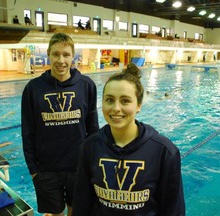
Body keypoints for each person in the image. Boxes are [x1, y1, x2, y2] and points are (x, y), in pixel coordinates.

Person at [72, 63, 185, 215]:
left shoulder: (164, 151)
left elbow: (173, 210)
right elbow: (81, 203)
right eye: (110, 100)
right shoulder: (90, 147)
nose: (116, 108)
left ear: (139, 105)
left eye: (125, 101)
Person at [21, 32, 99, 216]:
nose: (61, 60)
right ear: (48, 54)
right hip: (47, 170)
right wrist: (34, 171)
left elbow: (93, 130)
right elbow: (28, 131)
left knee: (77, 211)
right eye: (56, 54)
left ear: (73, 56)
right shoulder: (33, 89)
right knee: (54, 214)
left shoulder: (87, 86)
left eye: (66, 54)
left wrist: (93, 165)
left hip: (78, 167)